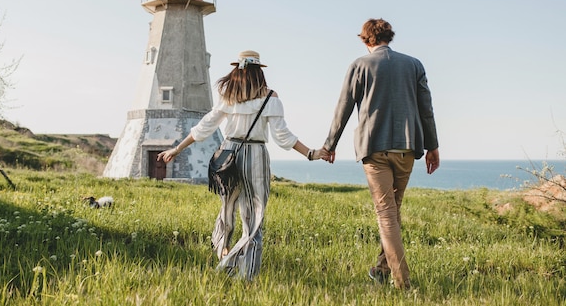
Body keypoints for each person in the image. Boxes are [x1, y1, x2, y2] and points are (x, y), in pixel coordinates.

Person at [158, 50, 328, 280]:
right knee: (254, 216)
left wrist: (177, 149)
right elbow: (283, 137)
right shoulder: (270, 97)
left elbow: (205, 126)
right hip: (255, 154)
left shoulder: (229, 96)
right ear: (259, 72)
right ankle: (243, 271)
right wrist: (311, 153)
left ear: (237, 70)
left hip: (228, 153)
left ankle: (223, 249)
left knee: (226, 207)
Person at [322, 19, 440, 290]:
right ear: (390, 37)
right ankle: (381, 269)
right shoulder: (414, 65)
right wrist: (433, 146)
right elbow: (426, 109)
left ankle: (403, 283)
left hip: (374, 148)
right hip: (408, 148)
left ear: (365, 40)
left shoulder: (359, 65)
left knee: (386, 214)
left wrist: (330, 145)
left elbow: (344, 108)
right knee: (393, 210)